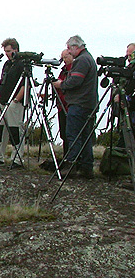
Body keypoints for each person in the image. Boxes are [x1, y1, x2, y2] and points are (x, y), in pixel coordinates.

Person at [52, 35, 98, 178]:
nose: (68, 52)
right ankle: (86, 167)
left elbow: (76, 81)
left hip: (79, 103)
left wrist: (61, 85)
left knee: (74, 135)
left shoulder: (82, 60)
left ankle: (71, 166)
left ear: (75, 47)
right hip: (87, 103)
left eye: (69, 48)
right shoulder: (88, 58)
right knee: (85, 136)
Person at [0, 38, 25, 167]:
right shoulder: (7, 65)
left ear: (16, 49)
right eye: (5, 51)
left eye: (9, 51)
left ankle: (17, 159)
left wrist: (16, 100)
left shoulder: (22, 64)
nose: (7, 54)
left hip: (14, 102)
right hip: (2, 101)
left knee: (15, 130)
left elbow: (25, 85)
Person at [55, 49, 74, 145]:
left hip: (69, 105)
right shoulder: (63, 70)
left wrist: (59, 84)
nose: (64, 60)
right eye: (63, 58)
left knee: (70, 133)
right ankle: (66, 155)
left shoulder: (73, 69)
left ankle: (71, 156)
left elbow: (69, 84)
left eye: (66, 57)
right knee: (63, 133)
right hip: (61, 105)